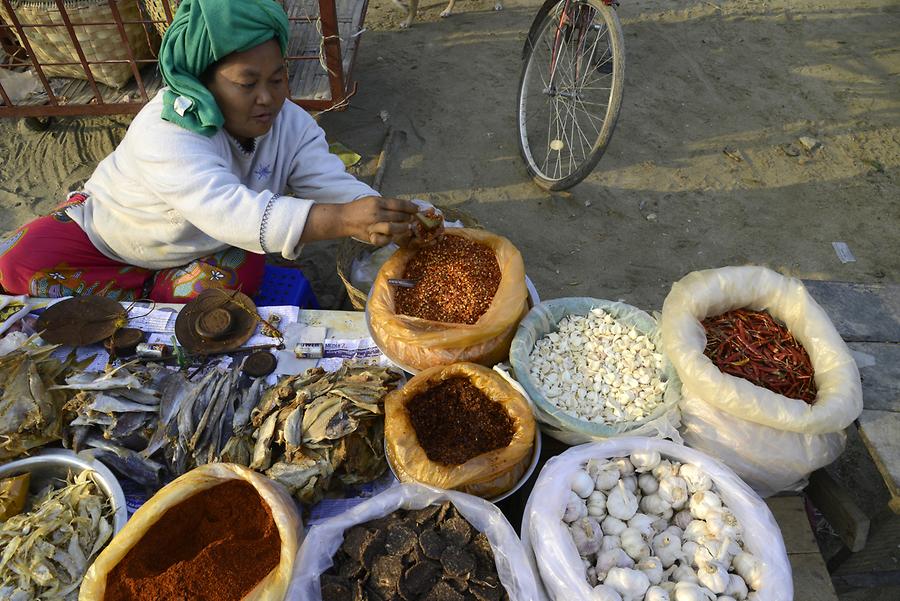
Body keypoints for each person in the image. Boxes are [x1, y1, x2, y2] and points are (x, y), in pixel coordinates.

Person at [0, 0, 417, 302]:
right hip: (110, 235)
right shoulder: (164, 130)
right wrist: (344, 220)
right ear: (203, 82)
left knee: (241, 274)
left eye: (277, 79)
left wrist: (373, 214)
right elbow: (229, 209)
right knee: (13, 262)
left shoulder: (291, 123)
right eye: (246, 83)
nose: (268, 98)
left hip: (205, 246)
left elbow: (324, 179)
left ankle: (151, 290)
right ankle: (149, 286)